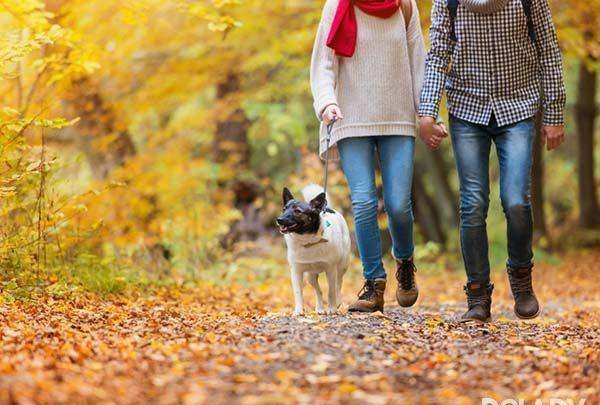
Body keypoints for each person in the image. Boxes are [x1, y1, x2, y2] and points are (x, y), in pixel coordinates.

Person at [419, 0, 566, 321]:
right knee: (472, 203)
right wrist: (427, 111)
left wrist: (554, 113)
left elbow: (549, 50)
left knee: (515, 200)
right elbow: (438, 52)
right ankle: (477, 295)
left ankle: (521, 278)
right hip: (467, 108)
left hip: (519, 107)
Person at [311, 0, 446, 312]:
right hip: (350, 117)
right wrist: (326, 102)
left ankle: (405, 263)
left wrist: (428, 114)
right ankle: (373, 283)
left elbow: (418, 62)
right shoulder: (338, 5)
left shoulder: (405, 6)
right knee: (364, 201)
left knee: (399, 205)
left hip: (397, 118)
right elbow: (324, 62)